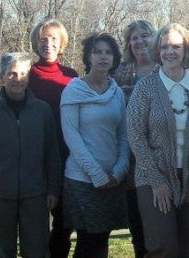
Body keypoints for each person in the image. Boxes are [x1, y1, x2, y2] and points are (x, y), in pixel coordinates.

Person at [126, 23, 189, 258]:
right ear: (157, 51)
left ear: (186, 50)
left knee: (186, 248)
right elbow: (135, 134)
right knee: (163, 248)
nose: (169, 52)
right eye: (164, 47)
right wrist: (156, 180)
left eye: (176, 46)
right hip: (154, 178)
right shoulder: (146, 88)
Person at [0, 52, 62, 257]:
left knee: (37, 252)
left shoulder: (42, 110)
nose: (17, 79)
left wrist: (53, 188)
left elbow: (52, 152)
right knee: (3, 252)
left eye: (23, 74)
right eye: (12, 74)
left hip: (36, 195)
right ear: (2, 76)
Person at [61, 33, 129, 257]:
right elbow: (72, 137)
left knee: (101, 241)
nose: (103, 56)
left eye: (108, 52)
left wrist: (119, 170)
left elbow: (123, 135)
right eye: (97, 51)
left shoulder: (116, 92)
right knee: (88, 242)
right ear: (88, 56)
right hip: (82, 179)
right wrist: (96, 174)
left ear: (114, 58)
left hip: (112, 179)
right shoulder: (74, 89)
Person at [28, 18, 79, 258]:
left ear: (62, 44)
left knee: (62, 225)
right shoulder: (25, 75)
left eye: (54, 39)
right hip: (34, 160)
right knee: (35, 225)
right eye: (43, 39)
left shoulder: (72, 77)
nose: (48, 44)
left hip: (67, 157)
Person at [113, 19, 158, 258]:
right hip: (131, 164)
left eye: (145, 35)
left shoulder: (166, 68)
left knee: (161, 229)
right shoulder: (119, 74)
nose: (139, 41)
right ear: (128, 44)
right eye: (134, 37)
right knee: (138, 229)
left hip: (163, 161)